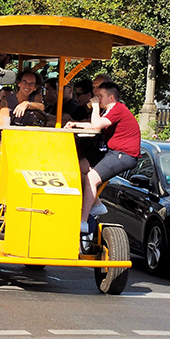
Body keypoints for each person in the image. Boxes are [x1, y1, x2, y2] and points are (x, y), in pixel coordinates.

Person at [65, 82, 141, 233]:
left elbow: (96, 125)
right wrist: (74, 124)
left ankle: (83, 221)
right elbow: (95, 124)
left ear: (111, 97)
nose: (97, 99)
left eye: (100, 96)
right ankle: (97, 204)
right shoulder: (111, 111)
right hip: (113, 152)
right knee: (79, 167)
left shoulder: (118, 108)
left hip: (124, 154)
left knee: (91, 179)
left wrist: (94, 108)